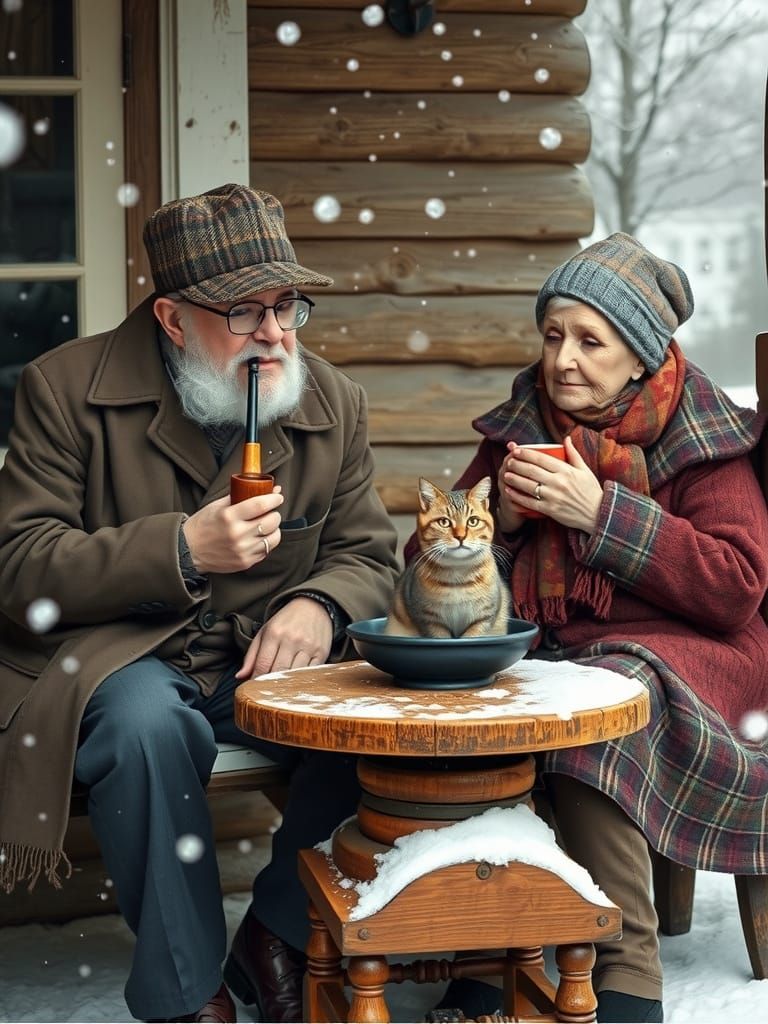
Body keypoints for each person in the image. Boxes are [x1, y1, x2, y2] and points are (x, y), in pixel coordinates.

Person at [0, 184, 400, 1023]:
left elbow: (366, 553)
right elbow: (19, 566)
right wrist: (181, 549)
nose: (275, 333)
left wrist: (322, 608)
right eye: (244, 311)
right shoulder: (64, 389)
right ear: (173, 319)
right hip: (119, 658)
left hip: (258, 661)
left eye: (288, 304)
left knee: (376, 719)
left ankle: (277, 933)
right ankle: (188, 994)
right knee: (149, 728)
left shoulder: (330, 400)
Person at [423, 233, 768, 1023]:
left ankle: (627, 976)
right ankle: (487, 957)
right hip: (569, 647)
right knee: (476, 698)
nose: (563, 360)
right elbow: (427, 561)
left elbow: (737, 586)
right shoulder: (523, 429)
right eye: (553, 335)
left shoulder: (701, 434)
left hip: (705, 650)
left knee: (595, 705)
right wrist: (497, 520)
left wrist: (602, 515)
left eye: (590, 340)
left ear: (641, 355)